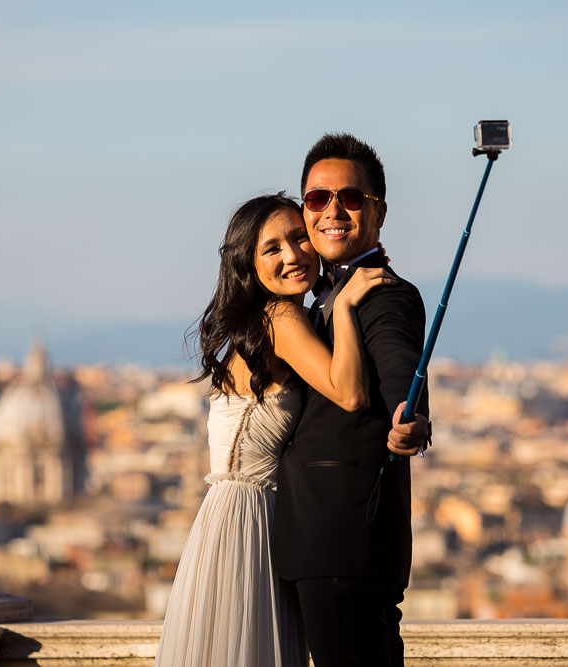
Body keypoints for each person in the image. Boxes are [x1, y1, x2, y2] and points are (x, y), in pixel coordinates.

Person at [154, 193, 416, 666]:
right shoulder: (280, 316)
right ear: (248, 265)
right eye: (272, 248)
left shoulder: (261, 324)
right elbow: (351, 393)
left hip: (231, 515)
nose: (293, 255)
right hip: (252, 516)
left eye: (299, 238)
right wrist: (349, 303)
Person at [274, 133, 429, 667]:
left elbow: (399, 367)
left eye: (351, 198)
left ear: (379, 212)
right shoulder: (317, 299)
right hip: (336, 544)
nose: (332, 211)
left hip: (340, 541)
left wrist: (409, 418)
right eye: (317, 199)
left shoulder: (384, 293)